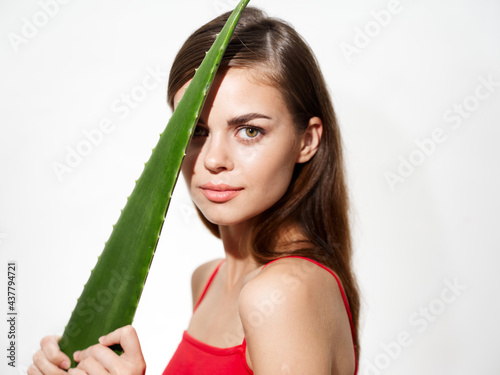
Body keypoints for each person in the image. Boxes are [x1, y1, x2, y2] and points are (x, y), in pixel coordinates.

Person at [28, 6, 360, 375]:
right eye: (196, 131)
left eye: (250, 130)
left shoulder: (283, 293)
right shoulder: (208, 279)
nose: (213, 159)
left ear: (307, 140)